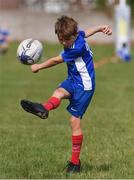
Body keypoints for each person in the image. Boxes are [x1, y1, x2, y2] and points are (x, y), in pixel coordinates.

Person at [20, 16, 112, 173]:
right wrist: (99, 28)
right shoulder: (78, 35)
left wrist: (39, 66)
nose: (63, 43)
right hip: (73, 79)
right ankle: (45, 108)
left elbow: (56, 60)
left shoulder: (78, 46)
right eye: (60, 39)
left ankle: (75, 163)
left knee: (74, 122)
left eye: (66, 40)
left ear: (73, 35)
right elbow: (86, 32)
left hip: (85, 86)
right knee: (58, 92)